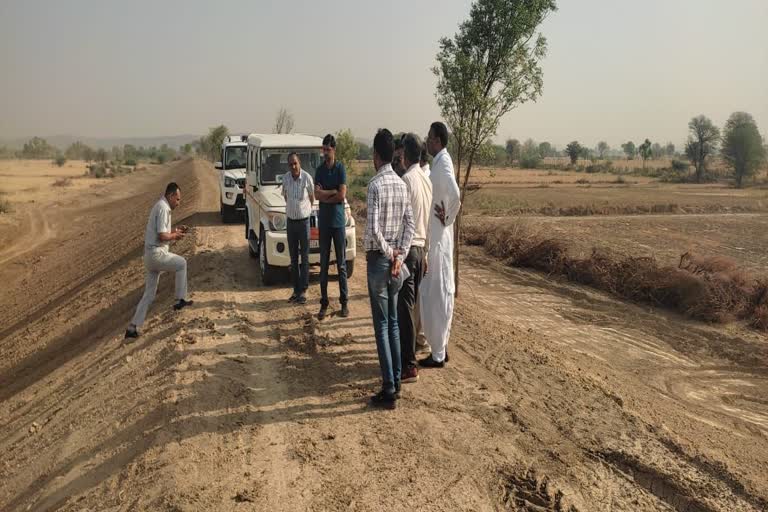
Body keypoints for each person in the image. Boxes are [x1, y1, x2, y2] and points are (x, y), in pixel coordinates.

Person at [365, 128, 415, 409]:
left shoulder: (375, 186)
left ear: (375, 155)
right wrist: (400, 255)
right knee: (394, 324)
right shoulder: (401, 184)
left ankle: (389, 388)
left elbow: (373, 228)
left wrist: (388, 253)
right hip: (397, 263)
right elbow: (410, 224)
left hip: (380, 261)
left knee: (383, 326)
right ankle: (395, 382)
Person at [125, 182, 193, 339]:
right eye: (177, 199)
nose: (178, 202)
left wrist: (175, 231)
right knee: (182, 263)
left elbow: (162, 233)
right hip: (156, 254)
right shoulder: (163, 207)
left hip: (151, 256)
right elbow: (163, 236)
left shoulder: (162, 206)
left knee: (149, 294)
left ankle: (132, 327)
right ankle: (180, 299)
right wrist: (175, 236)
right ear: (170, 196)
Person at [418, 122, 461, 368]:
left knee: (439, 293)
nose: (427, 141)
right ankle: (440, 348)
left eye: (430, 138)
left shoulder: (443, 163)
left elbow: (455, 196)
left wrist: (448, 218)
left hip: (439, 239)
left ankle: (438, 353)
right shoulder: (440, 162)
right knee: (435, 292)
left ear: (437, 141)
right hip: (437, 237)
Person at [397, 133, 432, 384]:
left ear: (404, 154)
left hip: (408, 252)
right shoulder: (426, 180)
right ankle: (407, 359)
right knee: (411, 307)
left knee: (405, 309)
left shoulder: (407, 180)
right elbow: (427, 223)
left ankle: (409, 366)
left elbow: (401, 222)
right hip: (420, 251)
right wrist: (427, 252)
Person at [314, 134, 349, 320]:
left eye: (328, 149)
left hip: (338, 223)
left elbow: (341, 195)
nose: (325, 152)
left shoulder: (340, 168)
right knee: (324, 265)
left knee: (341, 265)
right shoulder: (319, 170)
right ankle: (324, 302)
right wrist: (332, 192)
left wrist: (330, 194)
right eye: (323, 149)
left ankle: (344, 302)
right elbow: (316, 195)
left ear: (334, 150)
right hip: (325, 223)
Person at [282, 152, 314, 304]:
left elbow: (312, 198)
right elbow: (285, 197)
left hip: (304, 223)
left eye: (295, 163)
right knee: (293, 259)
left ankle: (304, 291)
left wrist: (304, 210)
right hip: (291, 223)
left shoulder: (307, 178)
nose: (293, 166)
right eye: (290, 164)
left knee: (305, 258)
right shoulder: (286, 178)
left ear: (299, 163)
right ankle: (296, 290)